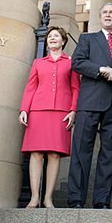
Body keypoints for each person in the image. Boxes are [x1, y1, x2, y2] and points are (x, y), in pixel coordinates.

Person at [67, 2, 112, 209]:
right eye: (104, 12)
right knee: (81, 152)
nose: (108, 15)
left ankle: (102, 201)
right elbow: (77, 63)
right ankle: (76, 199)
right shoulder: (87, 39)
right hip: (89, 103)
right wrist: (101, 69)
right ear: (99, 16)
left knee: (109, 154)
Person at [19, 26, 80, 208]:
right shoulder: (38, 63)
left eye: (56, 36)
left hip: (61, 112)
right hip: (38, 111)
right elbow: (30, 87)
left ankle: (48, 198)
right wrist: (24, 109)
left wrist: (73, 110)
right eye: (50, 36)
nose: (52, 38)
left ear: (63, 41)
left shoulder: (71, 62)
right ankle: (34, 197)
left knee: (54, 155)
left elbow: (76, 88)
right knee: (36, 153)